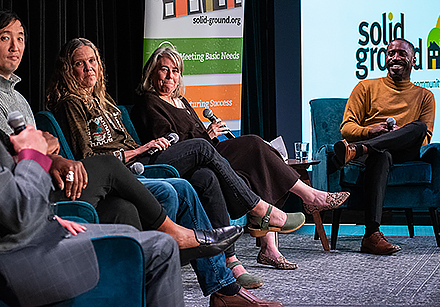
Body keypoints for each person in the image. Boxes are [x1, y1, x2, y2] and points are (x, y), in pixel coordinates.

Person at [0, 12, 276, 306]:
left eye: (21, 38)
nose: (15, 46)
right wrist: (50, 152)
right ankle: (249, 216)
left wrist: (49, 151)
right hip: (69, 185)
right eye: (5, 38)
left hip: (120, 170)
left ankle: (223, 284)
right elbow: (47, 155)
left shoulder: (31, 98)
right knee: (188, 165)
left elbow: (43, 150)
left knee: (197, 180)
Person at [0, 19, 197, 307]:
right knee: (160, 247)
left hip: (13, 238)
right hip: (13, 262)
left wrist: (49, 218)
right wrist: (33, 153)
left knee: (130, 229)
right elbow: (16, 212)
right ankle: (175, 237)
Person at [45, 38, 307, 296]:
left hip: (140, 161)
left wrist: (146, 147)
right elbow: (88, 156)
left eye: (92, 61)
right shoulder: (72, 104)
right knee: (204, 151)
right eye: (80, 63)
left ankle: (225, 275)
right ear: (69, 70)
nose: (89, 68)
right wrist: (141, 149)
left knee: (207, 175)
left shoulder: (106, 102)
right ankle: (258, 209)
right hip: (127, 168)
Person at [130, 46, 350, 272]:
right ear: (152, 73)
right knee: (253, 143)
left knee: (260, 162)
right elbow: (171, 141)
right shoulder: (150, 102)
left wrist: (209, 135)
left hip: (209, 153)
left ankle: (269, 248)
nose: (170, 77)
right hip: (188, 159)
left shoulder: (182, 102)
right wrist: (208, 134)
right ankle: (305, 199)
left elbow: (200, 141)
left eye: (175, 71)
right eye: (164, 70)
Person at [330, 38, 435, 255]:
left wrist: (399, 134)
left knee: (418, 128)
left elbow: (424, 139)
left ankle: (359, 149)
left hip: (405, 152)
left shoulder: (425, 96)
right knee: (381, 154)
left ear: (413, 60)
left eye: (402, 54)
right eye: (391, 53)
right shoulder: (365, 87)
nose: (395, 58)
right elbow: (346, 128)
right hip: (377, 155)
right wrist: (372, 131)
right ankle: (372, 235)